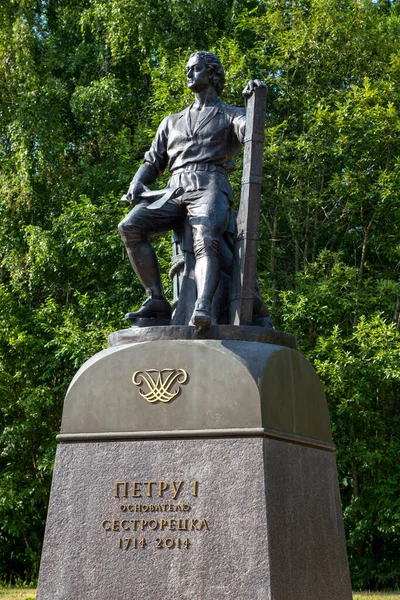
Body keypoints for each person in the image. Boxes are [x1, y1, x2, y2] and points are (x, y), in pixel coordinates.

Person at [118, 51, 265, 327]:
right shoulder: (171, 121)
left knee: (205, 236)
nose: (188, 73)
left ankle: (202, 306)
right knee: (130, 226)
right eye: (187, 68)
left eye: (195, 68)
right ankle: (156, 299)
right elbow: (153, 161)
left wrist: (254, 101)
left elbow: (252, 132)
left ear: (211, 73)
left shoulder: (230, 115)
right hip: (173, 190)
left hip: (210, 185)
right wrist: (137, 181)